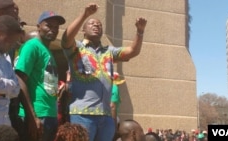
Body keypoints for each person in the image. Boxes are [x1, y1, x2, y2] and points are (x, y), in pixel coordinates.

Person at [61, 3, 147, 141]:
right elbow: (66, 39)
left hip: (105, 117)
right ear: (83, 30)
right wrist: (85, 15)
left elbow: (132, 51)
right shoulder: (76, 48)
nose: (96, 25)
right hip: (82, 114)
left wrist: (140, 32)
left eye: (99, 24)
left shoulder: (109, 52)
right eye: (92, 24)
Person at [14, 11, 65, 141]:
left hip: (49, 114)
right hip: (36, 115)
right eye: (49, 25)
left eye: (56, 27)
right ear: (38, 27)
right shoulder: (32, 46)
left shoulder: (47, 50)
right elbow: (20, 79)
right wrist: (32, 117)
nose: (53, 30)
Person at [0, 15, 22, 130]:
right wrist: (6, 89)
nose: (11, 46)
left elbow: (17, 89)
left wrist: (1, 92)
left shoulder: (5, 56)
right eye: (9, 42)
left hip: (3, 123)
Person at [111, 72, 125, 141]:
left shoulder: (107, 86)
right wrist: (115, 125)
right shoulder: (115, 88)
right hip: (112, 118)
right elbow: (112, 106)